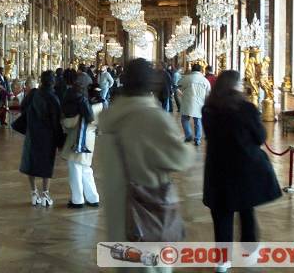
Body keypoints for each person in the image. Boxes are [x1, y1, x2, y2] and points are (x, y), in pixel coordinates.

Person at [97, 59, 192, 264]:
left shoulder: (109, 115)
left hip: (118, 207)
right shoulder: (152, 117)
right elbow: (181, 158)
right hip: (147, 208)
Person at [202, 70, 282, 272]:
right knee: (246, 210)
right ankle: (249, 253)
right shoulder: (246, 108)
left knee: (221, 214)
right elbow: (260, 136)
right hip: (244, 167)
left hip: (218, 167)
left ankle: (222, 262)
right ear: (235, 86)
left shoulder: (209, 109)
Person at [19, 70, 64, 207]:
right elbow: (56, 122)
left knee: (31, 163)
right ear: (53, 82)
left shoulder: (33, 94)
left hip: (32, 134)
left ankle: (34, 193)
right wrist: (60, 141)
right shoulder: (54, 98)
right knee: (46, 165)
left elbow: (23, 108)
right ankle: (45, 195)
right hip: (47, 137)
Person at [61, 72, 101, 208]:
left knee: (75, 170)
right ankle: (93, 197)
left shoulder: (81, 104)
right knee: (86, 169)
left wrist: (63, 120)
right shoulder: (99, 104)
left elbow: (70, 123)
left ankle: (77, 200)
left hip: (77, 140)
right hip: (90, 140)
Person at [178, 64, 211, 145]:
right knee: (198, 121)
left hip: (187, 102)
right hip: (200, 103)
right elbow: (208, 92)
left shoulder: (187, 78)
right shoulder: (205, 80)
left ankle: (188, 135)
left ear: (192, 70)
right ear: (200, 70)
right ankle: (197, 139)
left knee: (185, 119)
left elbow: (179, 86)